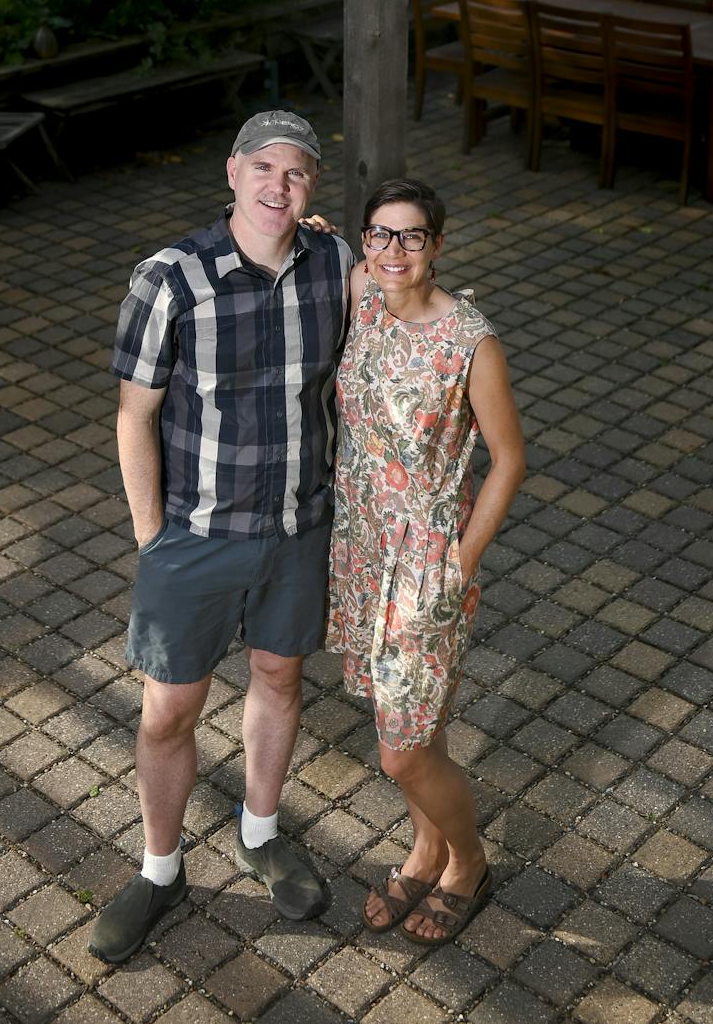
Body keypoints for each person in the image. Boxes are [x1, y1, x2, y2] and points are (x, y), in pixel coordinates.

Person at [90, 110, 353, 964]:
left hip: (297, 526)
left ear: (312, 188)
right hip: (195, 536)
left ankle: (261, 831)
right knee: (170, 710)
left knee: (279, 678)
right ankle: (160, 870)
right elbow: (135, 414)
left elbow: (409, 287)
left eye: (299, 174)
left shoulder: (336, 265)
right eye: (266, 169)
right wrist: (151, 537)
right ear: (233, 173)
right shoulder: (171, 280)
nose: (281, 187)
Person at [328, 178, 525, 945]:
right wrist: (318, 232)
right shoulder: (365, 297)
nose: (393, 251)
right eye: (380, 234)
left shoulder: (470, 340)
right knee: (415, 721)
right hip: (363, 548)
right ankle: (426, 849)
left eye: (412, 236)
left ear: (438, 246)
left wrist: (461, 560)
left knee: (400, 752)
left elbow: (508, 460)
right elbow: (322, 256)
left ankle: (468, 860)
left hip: (426, 561)